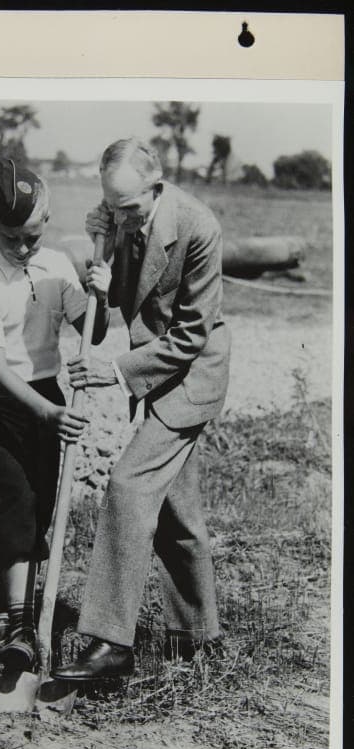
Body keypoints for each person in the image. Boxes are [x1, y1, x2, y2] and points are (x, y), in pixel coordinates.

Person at [52, 138, 231, 681]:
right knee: (176, 512)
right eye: (111, 204)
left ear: (156, 186)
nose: (119, 215)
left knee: (128, 486)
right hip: (158, 373)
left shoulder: (199, 229)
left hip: (192, 377)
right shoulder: (120, 221)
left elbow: (190, 335)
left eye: (128, 206)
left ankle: (112, 643)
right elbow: (132, 306)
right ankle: (198, 637)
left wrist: (116, 372)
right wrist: (102, 277)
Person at [0, 153, 111, 671]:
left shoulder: (57, 265)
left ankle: (6, 610)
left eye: (32, 236)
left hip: (47, 392)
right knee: (14, 503)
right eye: (11, 238)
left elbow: (87, 327)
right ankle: (20, 626)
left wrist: (100, 296)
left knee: (38, 503)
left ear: (46, 224)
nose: (23, 247)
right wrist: (47, 413)